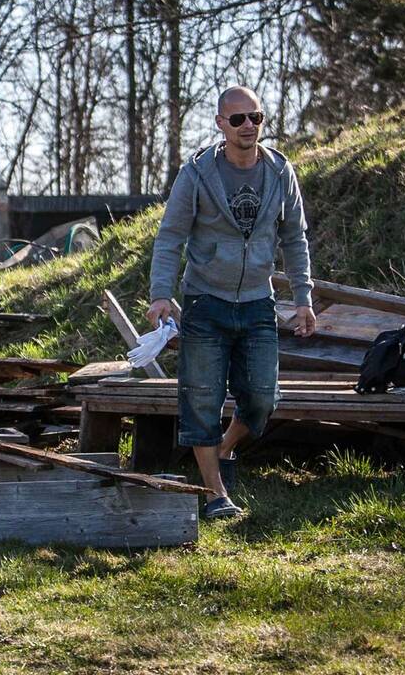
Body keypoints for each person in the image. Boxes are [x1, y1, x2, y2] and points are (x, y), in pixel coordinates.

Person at [146, 85, 316, 519]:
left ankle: (222, 449)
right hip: (206, 301)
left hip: (259, 301)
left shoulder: (280, 172)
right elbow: (170, 238)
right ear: (220, 124)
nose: (248, 126)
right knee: (201, 399)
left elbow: (295, 238)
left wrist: (303, 299)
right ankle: (217, 494)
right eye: (237, 119)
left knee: (262, 398)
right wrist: (161, 294)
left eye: (255, 117)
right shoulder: (197, 174)